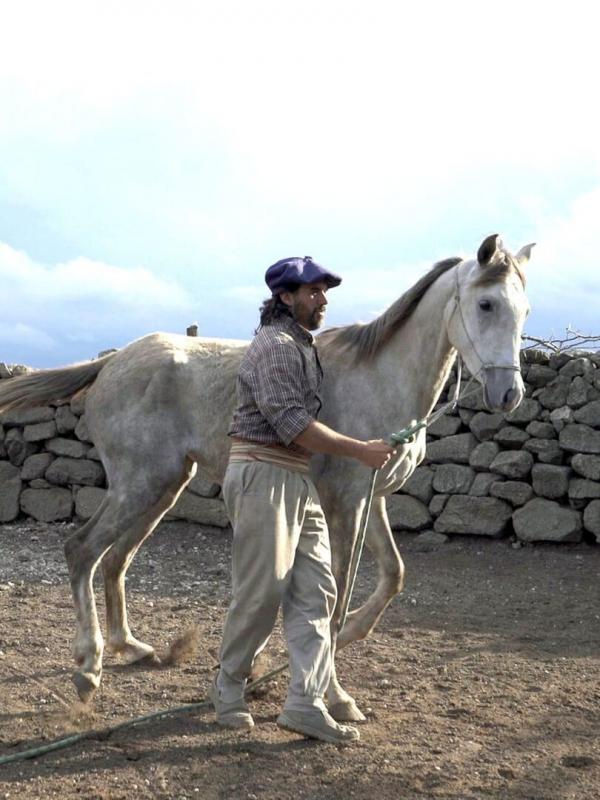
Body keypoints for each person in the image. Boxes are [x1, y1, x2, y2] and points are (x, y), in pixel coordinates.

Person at [210, 256, 393, 744]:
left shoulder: (302, 347)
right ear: (285, 298)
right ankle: (227, 688)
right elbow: (292, 424)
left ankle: (304, 702)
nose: (323, 299)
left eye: (324, 290)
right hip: (262, 475)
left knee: (318, 590)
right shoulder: (273, 347)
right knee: (262, 591)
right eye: (312, 291)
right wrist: (359, 450)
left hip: (294, 478)